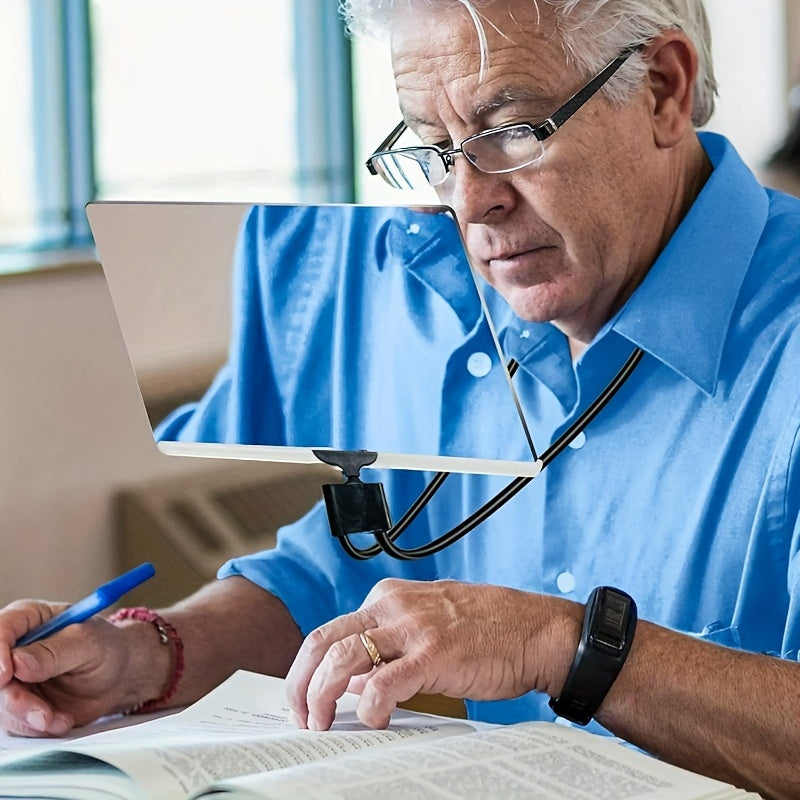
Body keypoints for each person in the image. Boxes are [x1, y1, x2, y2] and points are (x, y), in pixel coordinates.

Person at [2, 2, 799, 797]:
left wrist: (565, 646)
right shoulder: (428, 288)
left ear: (662, 89)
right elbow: (334, 583)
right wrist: (147, 655)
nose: (466, 200)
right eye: (432, 149)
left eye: (512, 132)